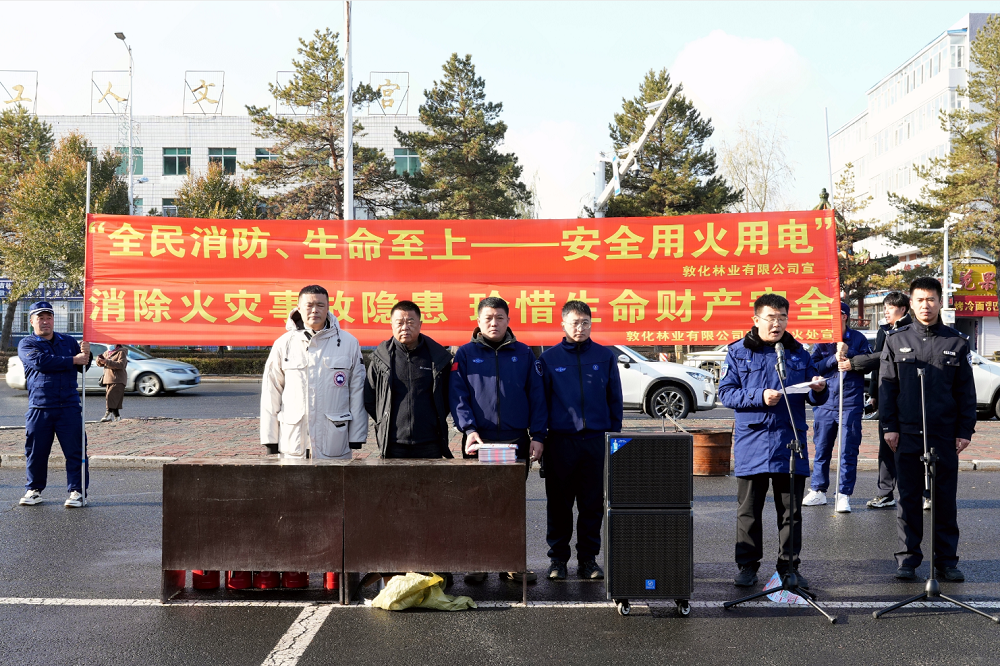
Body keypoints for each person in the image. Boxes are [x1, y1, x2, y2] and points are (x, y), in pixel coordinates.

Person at [718, 293, 828, 588]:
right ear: (756, 320)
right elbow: (726, 393)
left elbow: (814, 394)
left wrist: (819, 389)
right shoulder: (738, 352)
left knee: (791, 512)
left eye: (782, 317)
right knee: (749, 511)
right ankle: (747, 566)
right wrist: (759, 396)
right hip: (752, 440)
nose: (777, 323)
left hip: (789, 440)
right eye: (771, 317)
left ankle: (789, 566)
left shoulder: (798, 353)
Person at [879, 276, 975, 582]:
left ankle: (946, 561)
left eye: (931, 299)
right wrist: (889, 427)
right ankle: (908, 558)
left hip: (943, 433)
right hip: (906, 432)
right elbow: (887, 388)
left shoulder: (956, 341)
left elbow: (965, 392)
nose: (925, 305)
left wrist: (965, 430)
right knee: (908, 498)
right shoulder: (896, 340)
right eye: (919, 300)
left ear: (940, 302)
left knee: (944, 499)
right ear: (911, 303)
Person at [450, 296, 547, 585]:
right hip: (479, 442)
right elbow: (458, 395)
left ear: (508, 320)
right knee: (478, 504)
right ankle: (478, 562)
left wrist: (538, 435)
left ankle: (512, 563)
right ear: (478, 321)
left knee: (511, 505)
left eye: (499, 317)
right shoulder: (465, 354)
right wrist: (468, 429)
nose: (494, 323)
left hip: (515, 441)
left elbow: (537, 396)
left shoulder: (524, 353)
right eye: (488, 318)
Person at [539, 300, 623, 581]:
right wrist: (539, 436)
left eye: (585, 322)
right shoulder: (549, 359)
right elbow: (541, 402)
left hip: (596, 441)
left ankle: (588, 560)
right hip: (560, 442)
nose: (580, 328)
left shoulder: (605, 356)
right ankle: (558, 560)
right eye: (575, 323)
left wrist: (614, 436)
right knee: (559, 504)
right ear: (563, 324)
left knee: (592, 504)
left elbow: (615, 399)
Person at [261, 285, 368, 460]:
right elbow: (271, 392)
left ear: (328, 307)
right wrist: (270, 439)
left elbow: (357, 391)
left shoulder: (348, 343)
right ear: (298, 308)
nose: (314, 310)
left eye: (320, 305)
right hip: (293, 440)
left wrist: (357, 436)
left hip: (335, 440)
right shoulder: (283, 344)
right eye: (309, 305)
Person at [17, 301, 92, 508]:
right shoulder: (27, 344)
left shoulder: (68, 341)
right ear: (31, 321)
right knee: (36, 452)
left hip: (68, 407)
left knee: (76, 451)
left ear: (53, 320)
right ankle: (34, 489)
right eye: (40, 318)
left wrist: (87, 354)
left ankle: (77, 491)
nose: (45, 321)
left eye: (48, 317)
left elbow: (83, 367)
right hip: (39, 408)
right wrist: (73, 360)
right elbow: (41, 362)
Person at [803, 302, 872, 513]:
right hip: (825, 403)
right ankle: (818, 490)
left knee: (847, 450)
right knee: (821, 448)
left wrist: (851, 357)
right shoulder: (822, 340)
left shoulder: (858, 338)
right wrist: (834, 358)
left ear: (844, 316)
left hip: (849, 403)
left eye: (836, 314)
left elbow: (870, 362)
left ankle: (843, 494)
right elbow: (814, 367)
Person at [847, 291, 912, 509]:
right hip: (887, 395)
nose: (885, 312)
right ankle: (885, 493)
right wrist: (874, 394)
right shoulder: (884, 330)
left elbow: (881, 357)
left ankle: (925, 493)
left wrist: (853, 363)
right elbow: (879, 368)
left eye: (890, 308)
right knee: (886, 445)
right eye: (884, 308)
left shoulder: (912, 330)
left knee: (913, 447)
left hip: (908, 396)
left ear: (903, 309)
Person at [364, 300, 453, 459]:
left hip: (430, 442)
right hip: (393, 443)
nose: (405, 327)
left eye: (410, 322)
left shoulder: (438, 358)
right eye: (399, 323)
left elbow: (448, 396)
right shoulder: (381, 359)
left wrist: (434, 419)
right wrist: (383, 420)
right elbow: (369, 397)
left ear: (420, 324)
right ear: (392, 325)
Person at [97, 343, 129, 422]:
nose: (109, 345)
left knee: (110, 396)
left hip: (118, 379)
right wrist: (99, 360)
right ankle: (117, 417)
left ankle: (108, 415)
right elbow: (100, 364)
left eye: (111, 343)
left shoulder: (121, 352)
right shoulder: (107, 352)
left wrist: (107, 361)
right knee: (114, 399)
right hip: (108, 379)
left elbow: (121, 364)